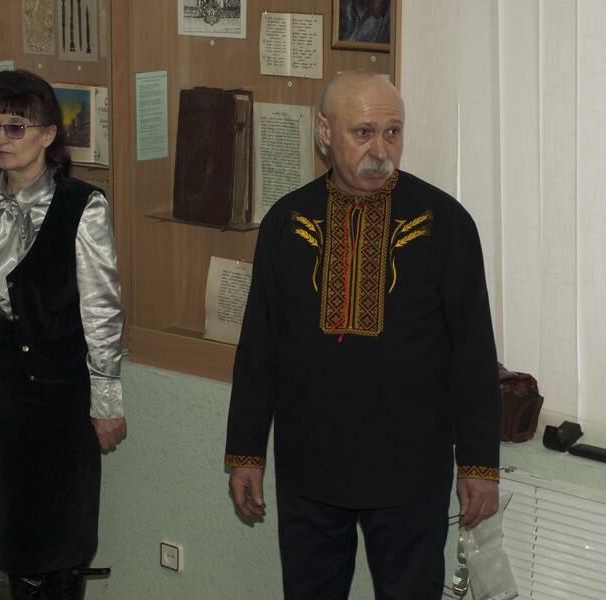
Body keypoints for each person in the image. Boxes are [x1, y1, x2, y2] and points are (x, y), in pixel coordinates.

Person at [224, 71, 500, 599]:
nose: (380, 150)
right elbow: (260, 347)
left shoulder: (445, 223)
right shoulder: (287, 221)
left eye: (392, 132)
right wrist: (245, 453)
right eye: (364, 132)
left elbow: (473, 353)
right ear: (325, 132)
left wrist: (479, 464)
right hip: (310, 470)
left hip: (410, 474)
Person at [0, 69, 126, 600]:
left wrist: (106, 402)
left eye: (16, 127)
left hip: (56, 396)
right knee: (9, 534)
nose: (1, 138)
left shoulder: (82, 206)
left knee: (57, 537)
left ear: (48, 135)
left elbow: (102, 311)